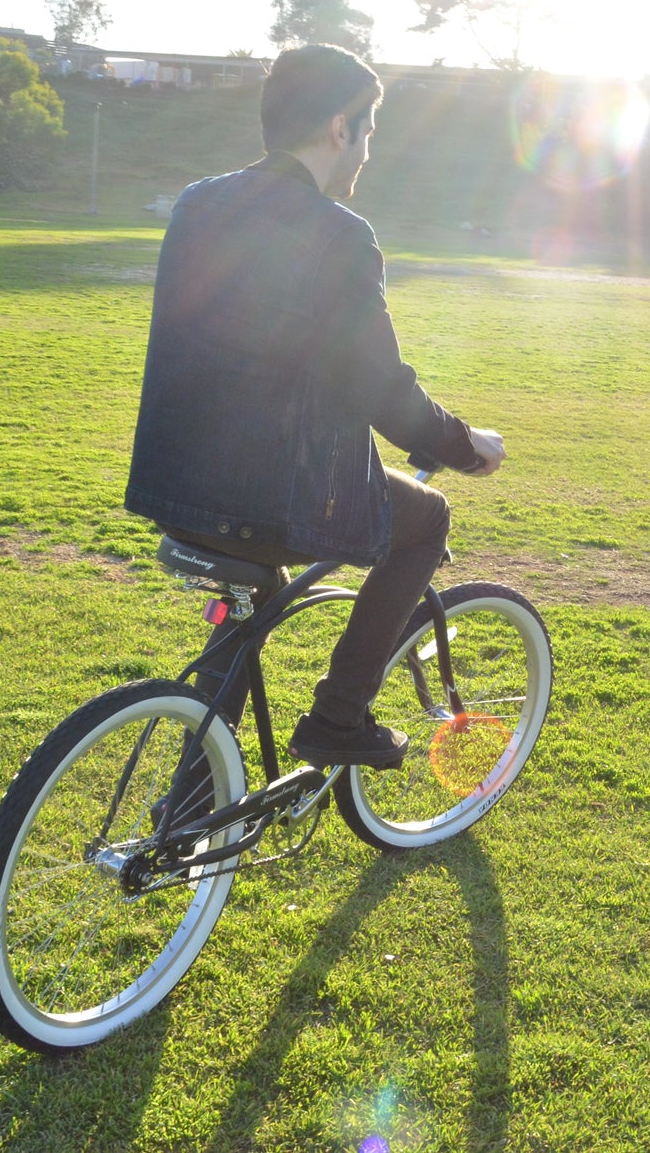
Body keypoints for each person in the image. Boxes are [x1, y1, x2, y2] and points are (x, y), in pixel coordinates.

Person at [124, 44, 505, 770]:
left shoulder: (197, 202)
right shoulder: (338, 234)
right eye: (369, 131)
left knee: (249, 594)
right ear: (341, 127)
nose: (367, 150)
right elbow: (382, 391)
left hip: (173, 485)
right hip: (270, 495)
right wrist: (463, 443)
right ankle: (339, 717)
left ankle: (197, 795)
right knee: (425, 522)